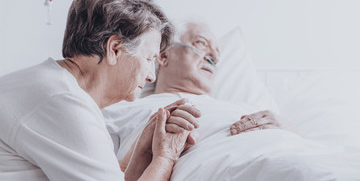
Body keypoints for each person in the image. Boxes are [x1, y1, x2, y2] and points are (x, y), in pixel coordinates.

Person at [0, 0, 200, 181]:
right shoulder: (64, 103)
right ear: (114, 49)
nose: (151, 76)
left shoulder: (52, 86)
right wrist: (166, 157)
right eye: (148, 59)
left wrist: (144, 149)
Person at [110, 22, 301, 178]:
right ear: (163, 55)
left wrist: (291, 128)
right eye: (201, 43)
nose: (215, 57)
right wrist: (151, 153)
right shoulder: (122, 109)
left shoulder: (245, 107)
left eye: (218, 52)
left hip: (301, 160)